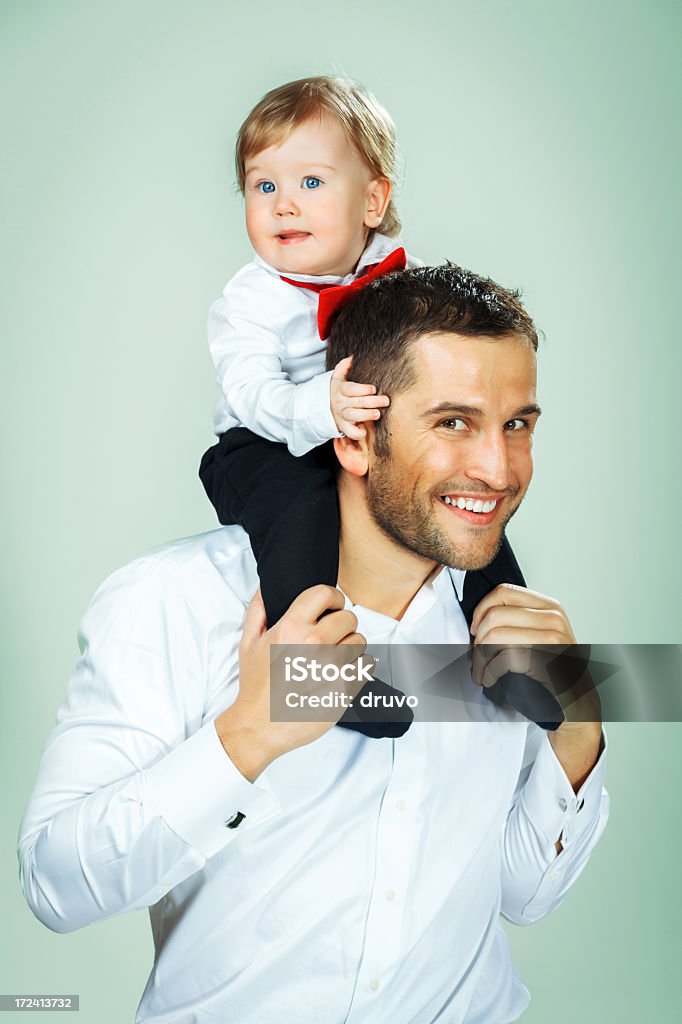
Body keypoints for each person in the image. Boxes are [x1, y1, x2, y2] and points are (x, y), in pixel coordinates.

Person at [19, 265, 608, 1024]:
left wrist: (580, 725)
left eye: (517, 424)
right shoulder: (173, 600)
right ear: (356, 435)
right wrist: (250, 733)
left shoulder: (508, 630)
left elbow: (524, 897)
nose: (497, 470)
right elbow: (55, 887)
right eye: (453, 423)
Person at [198, 77, 422, 738]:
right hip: (260, 447)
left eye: (312, 183)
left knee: (457, 500)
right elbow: (252, 394)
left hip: (352, 435)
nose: (284, 205)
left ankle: (514, 652)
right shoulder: (250, 301)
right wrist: (318, 410)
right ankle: (316, 675)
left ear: (373, 200)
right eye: (263, 186)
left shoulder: (395, 277)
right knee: (302, 506)